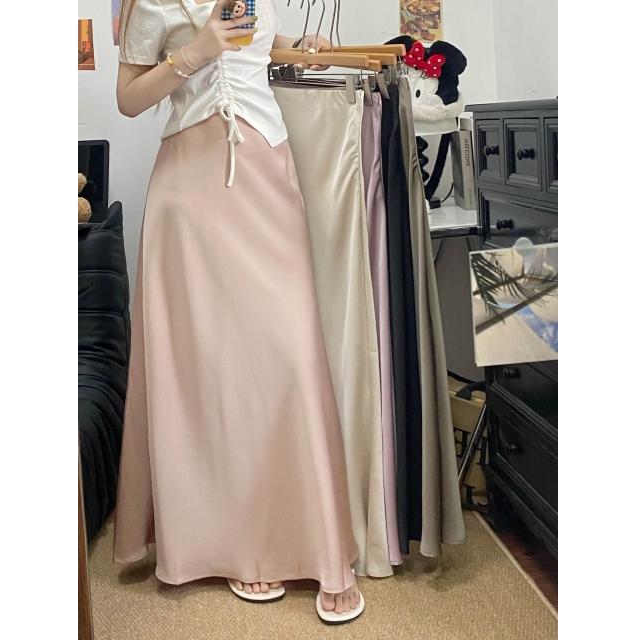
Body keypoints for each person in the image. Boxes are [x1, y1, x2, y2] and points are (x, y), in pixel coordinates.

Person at [112, 0, 365, 624]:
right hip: (191, 189)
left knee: (292, 356)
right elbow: (128, 99)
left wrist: (294, 45)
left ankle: (315, 543)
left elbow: (255, 47)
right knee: (214, 370)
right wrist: (193, 53)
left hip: (266, 172)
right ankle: (239, 544)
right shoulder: (152, 4)